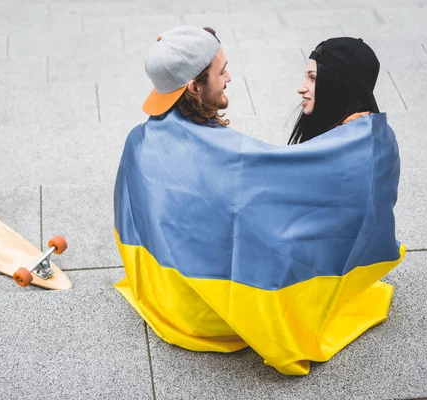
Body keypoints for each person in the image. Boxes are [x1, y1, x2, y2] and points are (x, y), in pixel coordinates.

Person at [113, 26, 405, 376]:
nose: (229, 78)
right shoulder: (228, 158)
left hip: (167, 300)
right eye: (221, 72)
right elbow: (261, 183)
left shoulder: (139, 141)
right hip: (211, 315)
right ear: (193, 86)